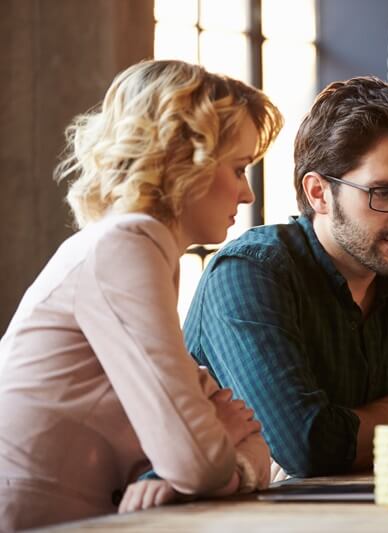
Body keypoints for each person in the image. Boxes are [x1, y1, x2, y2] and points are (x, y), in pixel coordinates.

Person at [0, 59, 283, 530]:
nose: (247, 195)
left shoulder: (137, 250)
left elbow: (250, 439)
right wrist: (195, 463)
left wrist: (182, 469)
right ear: (180, 157)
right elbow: (197, 458)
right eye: (238, 169)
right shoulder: (126, 246)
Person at [183, 76, 388, 478]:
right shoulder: (251, 274)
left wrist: (356, 427)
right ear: (319, 193)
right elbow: (305, 447)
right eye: (385, 194)